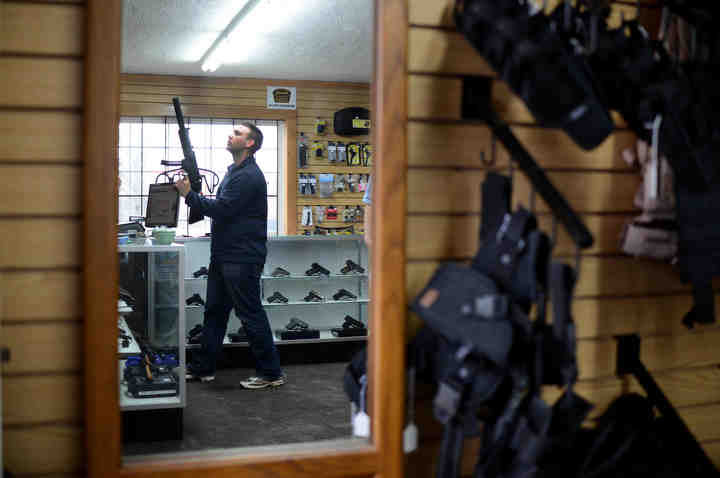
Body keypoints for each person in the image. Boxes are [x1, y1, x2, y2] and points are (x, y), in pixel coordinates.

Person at [174, 123, 284, 389]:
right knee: (214, 312)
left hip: (241, 257)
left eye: (237, 134)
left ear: (249, 144)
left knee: (250, 315)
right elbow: (225, 208)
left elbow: (223, 208)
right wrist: (195, 196)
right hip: (225, 255)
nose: (230, 135)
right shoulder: (234, 173)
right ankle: (203, 367)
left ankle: (270, 373)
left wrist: (189, 195)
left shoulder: (248, 176)